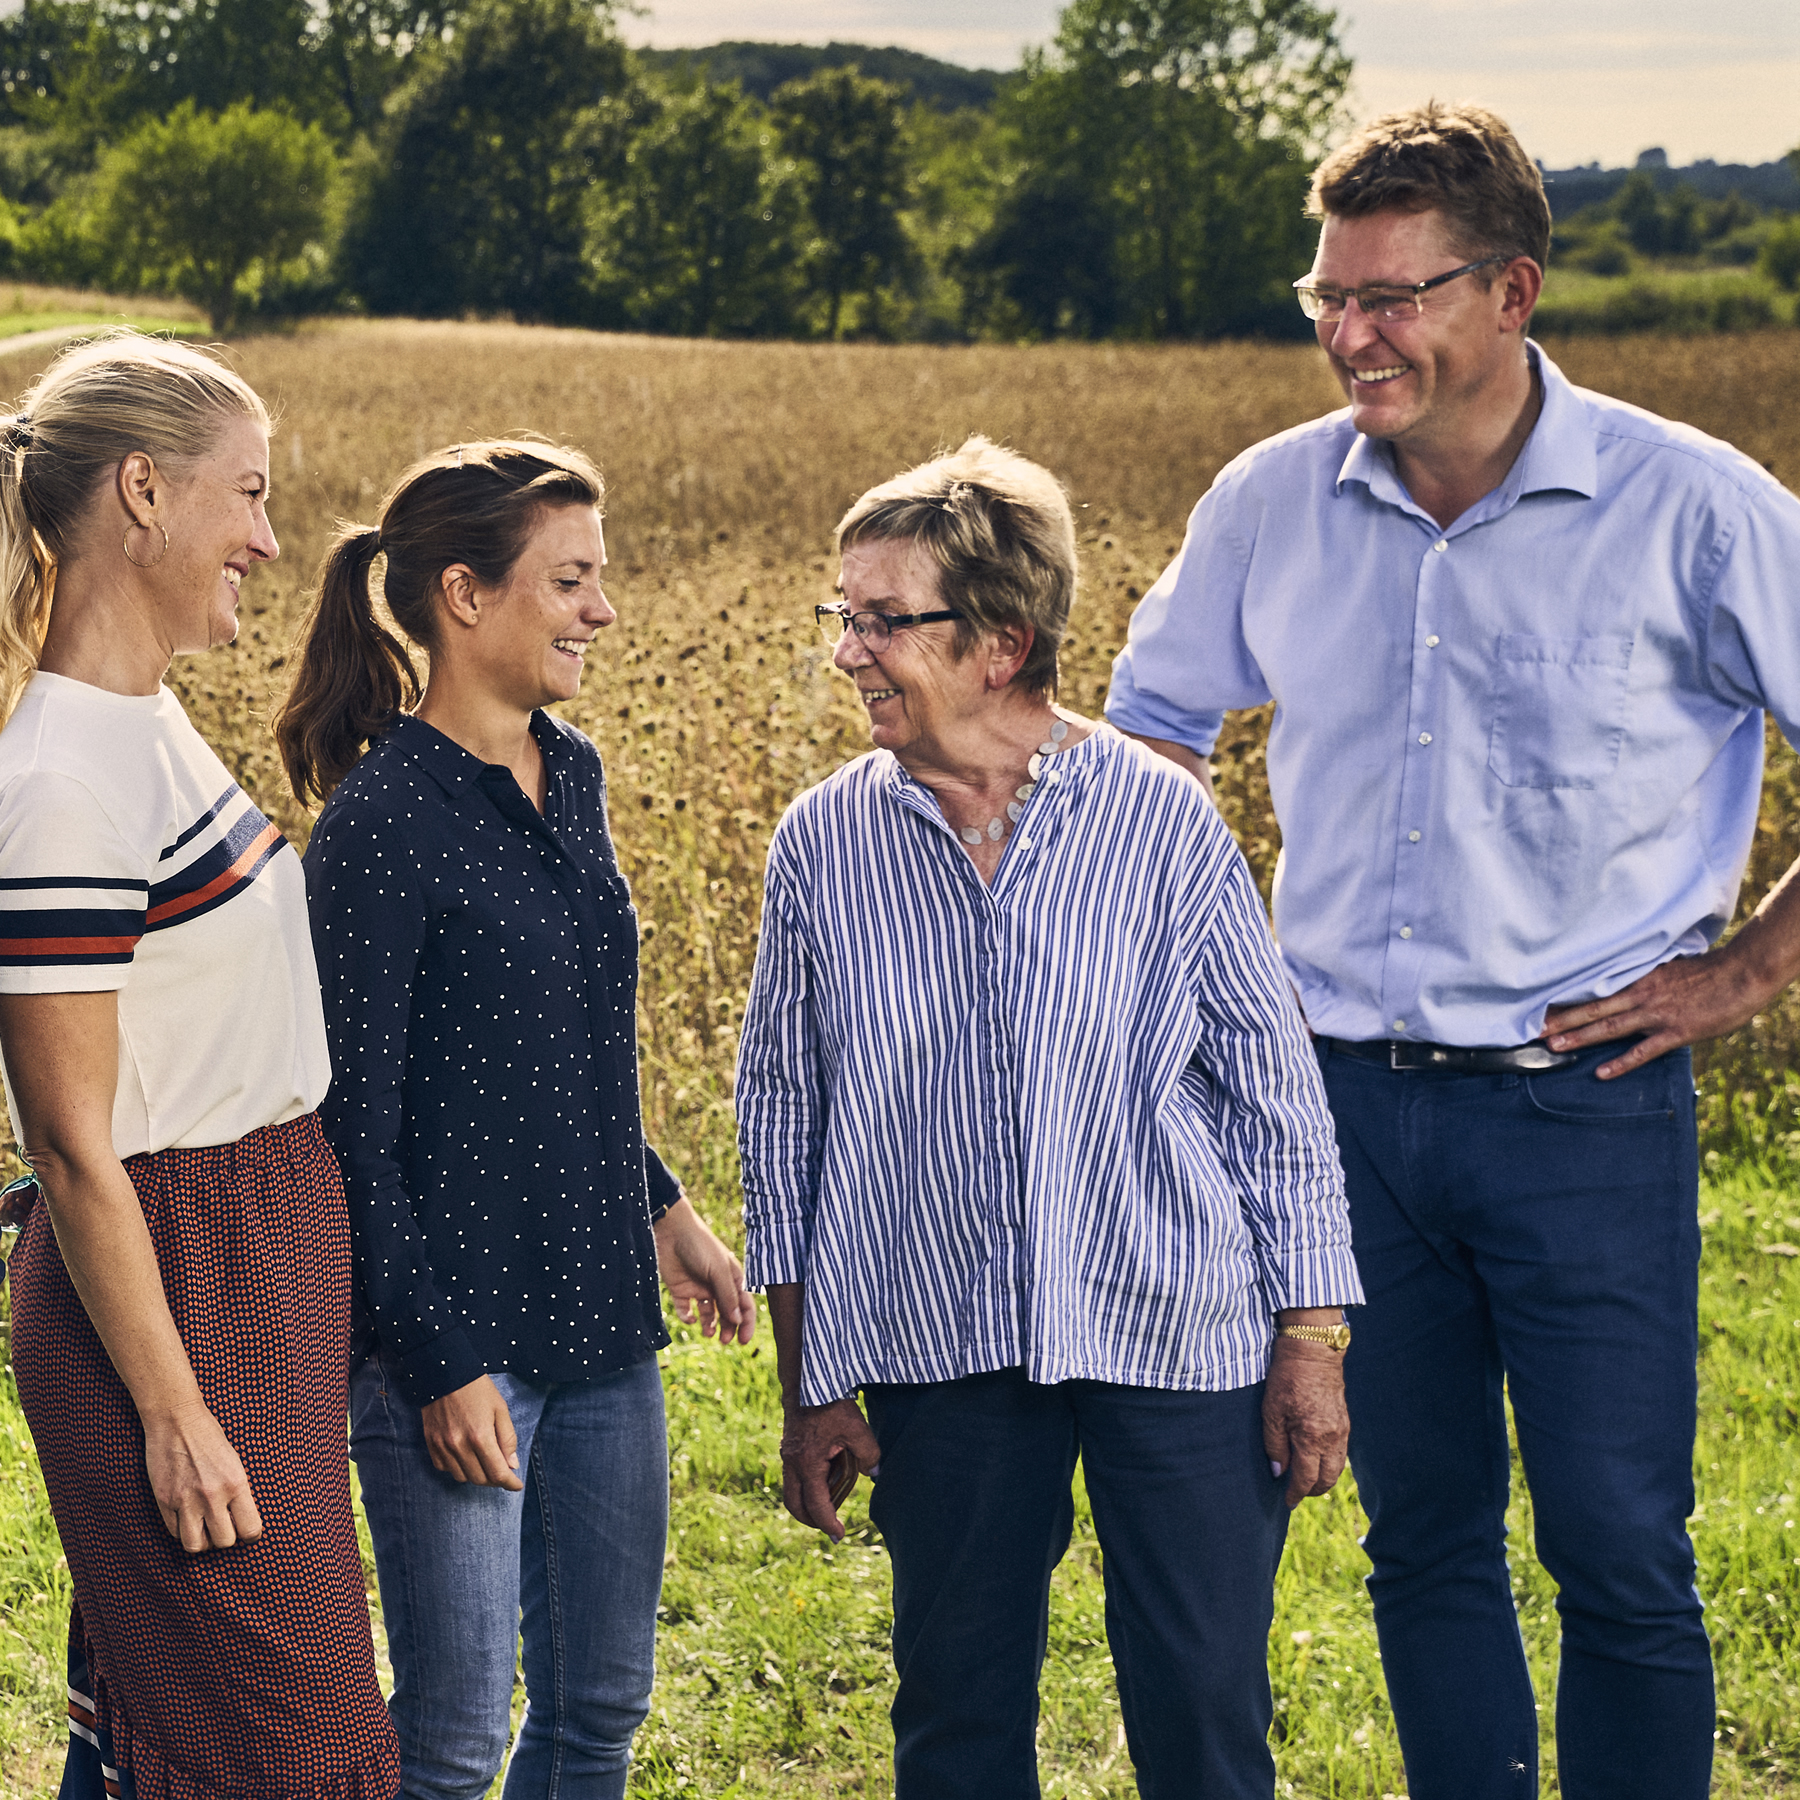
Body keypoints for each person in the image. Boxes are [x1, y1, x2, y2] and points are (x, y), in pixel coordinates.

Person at [1104, 101, 1800, 1800]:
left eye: (1394, 296)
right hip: (1339, 1117)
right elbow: (1149, 732)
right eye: (1329, 296)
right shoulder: (1274, 498)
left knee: (1621, 1551)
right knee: (1421, 1541)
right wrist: (1215, 985)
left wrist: (1749, 968)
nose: (1353, 334)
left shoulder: (1692, 509)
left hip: (1583, 1106)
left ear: (1513, 291)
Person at [734, 436, 1363, 1799]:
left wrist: (1309, 1340)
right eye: (843, 616)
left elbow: (1271, 1091)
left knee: (1204, 1709)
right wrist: (808, 1379)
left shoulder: (1163, 822)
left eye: (884, 621)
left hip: (1175, 1324)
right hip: (938, 1331)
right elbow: (783, 1117)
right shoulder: (823, 841)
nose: (850, 650)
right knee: (955, 1715)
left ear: (1003, 643)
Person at [276, 439, 754, 1800]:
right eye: (572, 580)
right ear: (464, 595)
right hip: (460, 1343)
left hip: (606, 1330)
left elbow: (571, 1046)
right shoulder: (378, 827)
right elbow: (345, 1128)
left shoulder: (575, 771)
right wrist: (433, 1364)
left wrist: (666, 1207)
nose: (602, 610)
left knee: (599, 1714)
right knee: (453, 1746)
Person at [0, 333, 400, 1798]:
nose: (270, 536)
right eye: (248, 494)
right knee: (290, 1755)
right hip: (180, 1282)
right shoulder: (57, 784)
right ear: (144, 495)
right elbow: (71, 1141)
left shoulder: (142, 719)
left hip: (250, 1252)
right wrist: (175, 1411)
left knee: (162, 1726)